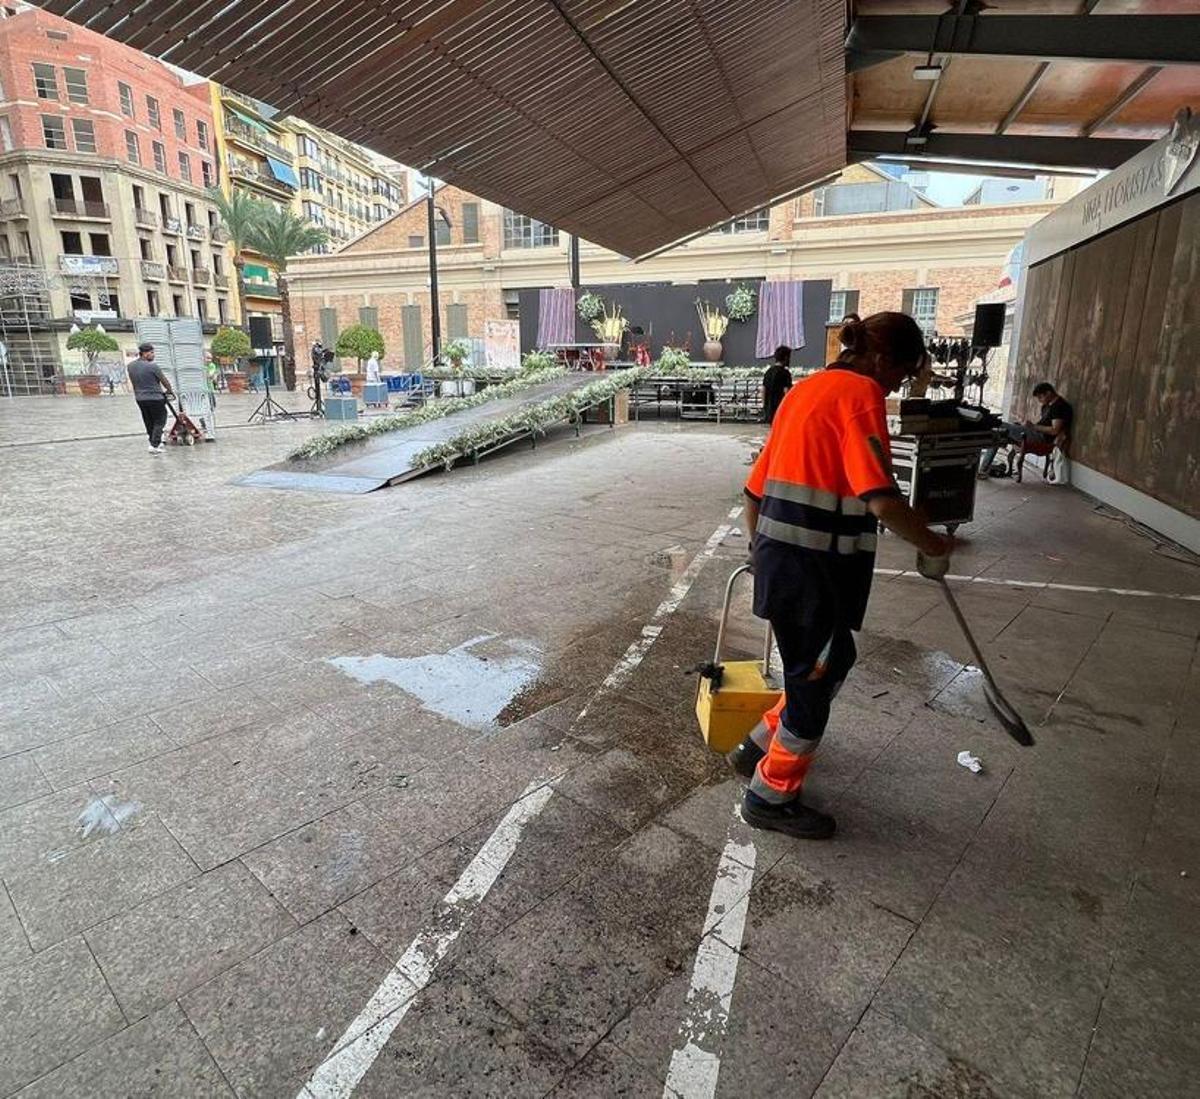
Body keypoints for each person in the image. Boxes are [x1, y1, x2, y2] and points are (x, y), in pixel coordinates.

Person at [729, 312, 957, 840]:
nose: (900, 383)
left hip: (784, 567)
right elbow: (880, 498)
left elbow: (752, 493)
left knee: (829, 662)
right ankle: (770, 796)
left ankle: (757, 744)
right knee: (814, 683)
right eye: (902, 372)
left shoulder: (805, 392)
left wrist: (761, 548)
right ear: (880, 360)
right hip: (815, 576)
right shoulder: (861, 394)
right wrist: (934, 545)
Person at [980, 381, 1073, 483]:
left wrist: (1033, 426)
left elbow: (1054, 430)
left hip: (1041, 438)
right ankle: (983, 470)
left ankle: (983, 469)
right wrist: (1028, 426)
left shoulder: (1060, 406)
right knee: (997, 434)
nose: (1040, 400)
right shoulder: (1048, 406)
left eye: (1040, 397)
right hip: (1035, 432)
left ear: (1048, 393)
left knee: (999, 425)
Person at [127, 343, 174, 454]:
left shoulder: (130, 366)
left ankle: (153, 441)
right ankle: (154, 445)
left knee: (148, 420)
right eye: (151, 353)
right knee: (160, 420)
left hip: (140, 398)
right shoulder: (153, 366)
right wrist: (169, 390)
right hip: (155, 397)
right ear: (144, 353)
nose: (153, 355)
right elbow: (164, 380)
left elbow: (134, 382)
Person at [762, 345, 793, 424]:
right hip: (780, 408)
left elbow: (763, 390)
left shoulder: (768, 372)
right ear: (786, 358)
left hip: (769, 408)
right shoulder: (785, 373)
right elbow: (787, 392)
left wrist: (764, 406)